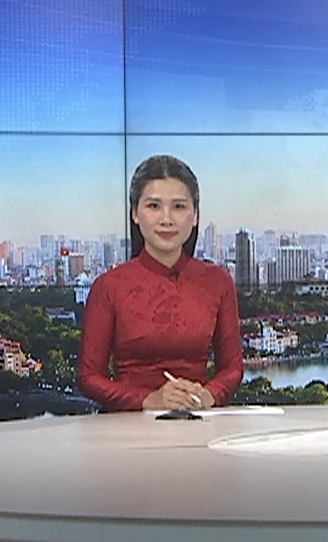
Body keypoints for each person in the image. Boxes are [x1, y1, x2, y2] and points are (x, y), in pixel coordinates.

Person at [78, 155, 243, 411]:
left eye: (179, 207)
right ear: (135, 213)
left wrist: (209, 395)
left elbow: (232, 369)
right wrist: (149, 400)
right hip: (128, 426)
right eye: (154, 206)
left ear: (195, 215)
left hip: (197, 420)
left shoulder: (218, 282)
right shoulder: (109, 287)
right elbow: (88, 377)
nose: (167, 219)